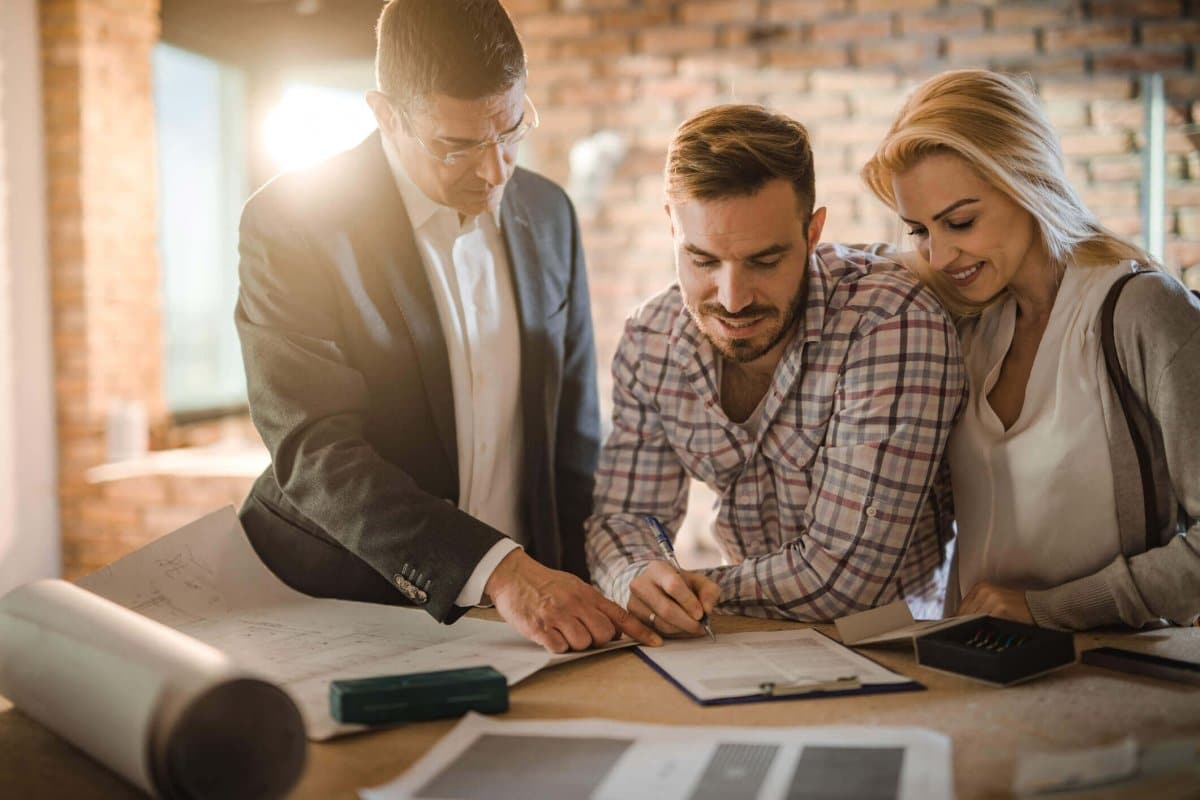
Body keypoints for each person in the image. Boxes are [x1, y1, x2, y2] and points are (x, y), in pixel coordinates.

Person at [234, 0, 658, 653]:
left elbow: (572, 439)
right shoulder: (292, 222)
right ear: (384, 114)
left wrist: (610, 574)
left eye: (512, 131)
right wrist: (498, 570)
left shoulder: (549, 213)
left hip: (525, 616)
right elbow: (315, 451)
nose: (494, 172)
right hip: (348, 598)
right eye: (457, 146)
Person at [584, 104, 966, 635]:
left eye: (764, 261)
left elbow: (846, 578)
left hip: (897, 651)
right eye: (703, 261)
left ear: (813, 233)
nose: (734, 300)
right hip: (746, 646)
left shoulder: (889, 321)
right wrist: (638, 572)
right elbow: (624, 518)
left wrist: (693, 591)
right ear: (671, 226)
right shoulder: (651, 340)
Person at [861, 69, 1200, 630]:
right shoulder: (967, 322)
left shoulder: (1141, 310)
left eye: (960, 221)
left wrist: (1051, 610)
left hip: (1117, 686)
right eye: (919, 230)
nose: (940, 255)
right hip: (974, 672)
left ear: (1028, 183)